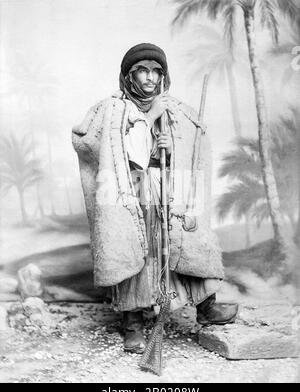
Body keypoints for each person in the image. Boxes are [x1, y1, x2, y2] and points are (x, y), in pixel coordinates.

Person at [72, 43, 239, 355]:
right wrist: (149, 126)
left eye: (155, 71)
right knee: (137, 249)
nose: (150, 78)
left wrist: (171, 147)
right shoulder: (114, 111)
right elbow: (106, 151)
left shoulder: (175, 110)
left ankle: (205, 307)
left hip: (167, 190)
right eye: (142, 71)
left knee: (184, 243)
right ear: (129, 76)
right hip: (130, 193)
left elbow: (191, 152)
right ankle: (133, 323)